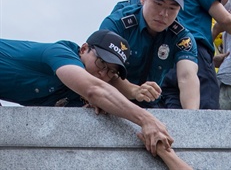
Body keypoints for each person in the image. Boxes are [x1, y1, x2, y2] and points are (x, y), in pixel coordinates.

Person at [0, 30, 173, 156]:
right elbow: (94, 89)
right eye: (101, 63)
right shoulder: (60, 53)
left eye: (111, 72)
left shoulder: (75, 94)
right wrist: (146, 119)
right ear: (83, 49)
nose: (103, 74)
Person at [100, 0, 200, 109]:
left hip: (151, 105)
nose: (163, 14)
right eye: (158, 4)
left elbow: (187, 77)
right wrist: (134, 90)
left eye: (172, 8)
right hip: (111, 100)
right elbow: (102, 70)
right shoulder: (118, 24)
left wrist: (193, 117)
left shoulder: (182, 37)